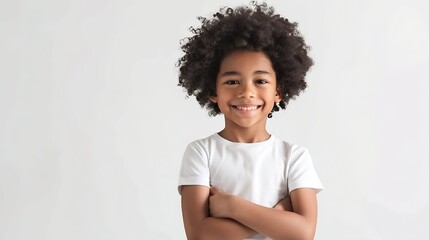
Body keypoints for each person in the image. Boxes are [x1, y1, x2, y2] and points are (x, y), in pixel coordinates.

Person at [177, 2, 323, 239]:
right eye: (232, 81)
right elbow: (200, 234)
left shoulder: (294, 157)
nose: (246, 92)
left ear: (279, 91)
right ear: (213, 91)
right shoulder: (201, 152)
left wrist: (233, 207)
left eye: (261, 81)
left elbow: (303, 233)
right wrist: (278, 213)